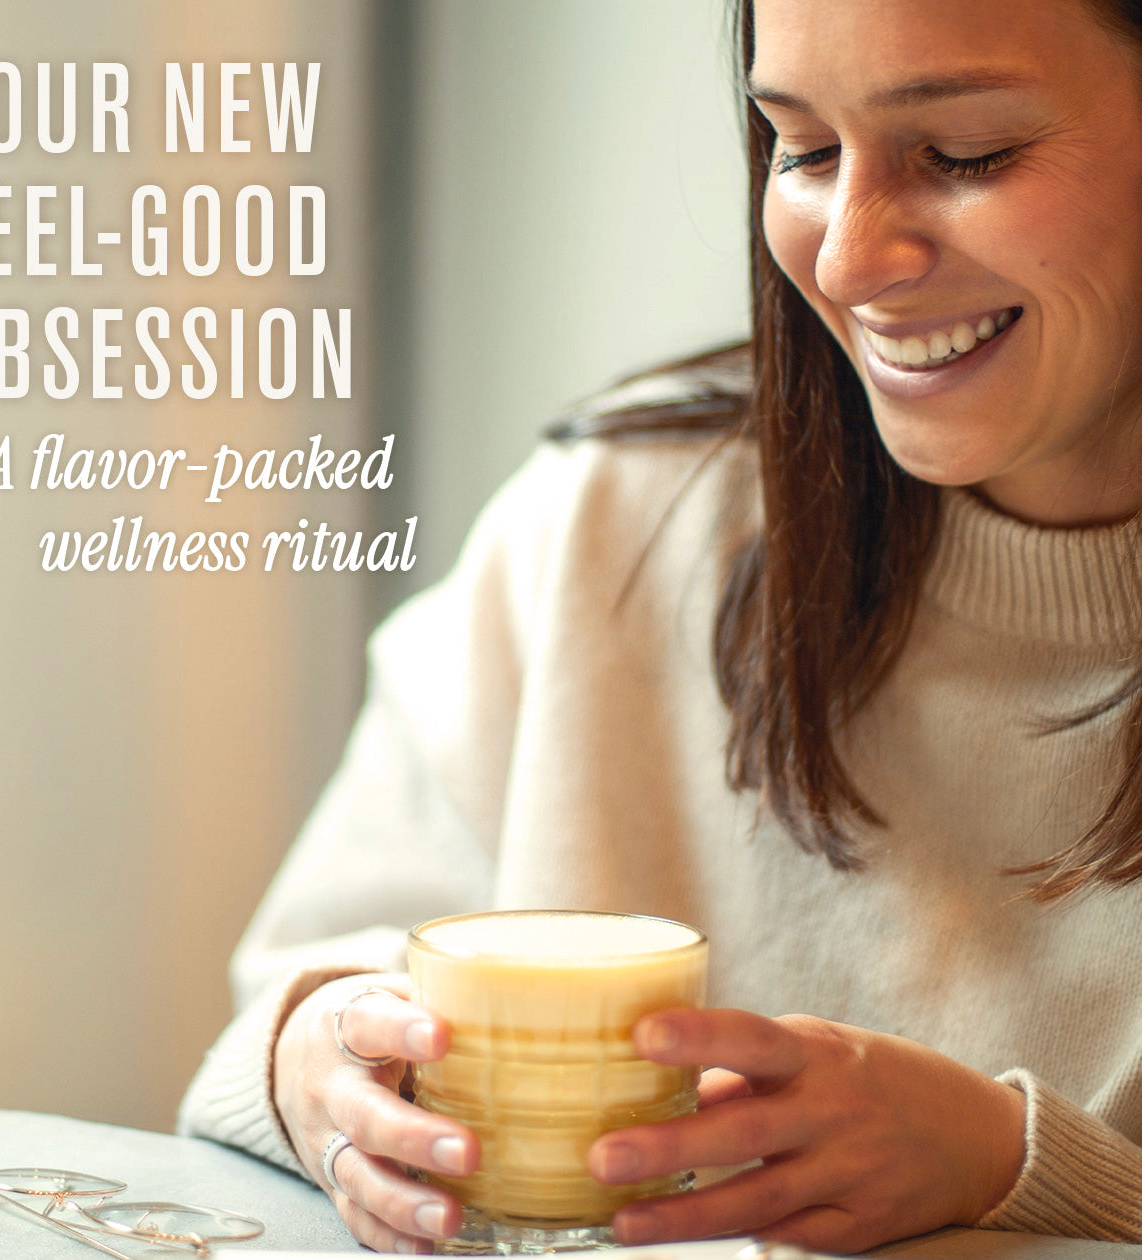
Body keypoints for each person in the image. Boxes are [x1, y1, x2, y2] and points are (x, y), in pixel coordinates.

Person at [179, 0, 1142, 1252]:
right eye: (801, 149)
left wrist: (1016, 1169)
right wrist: (325, 1070)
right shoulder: (620, 517)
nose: (846, 261)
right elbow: (302, 988)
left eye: (962, 155)